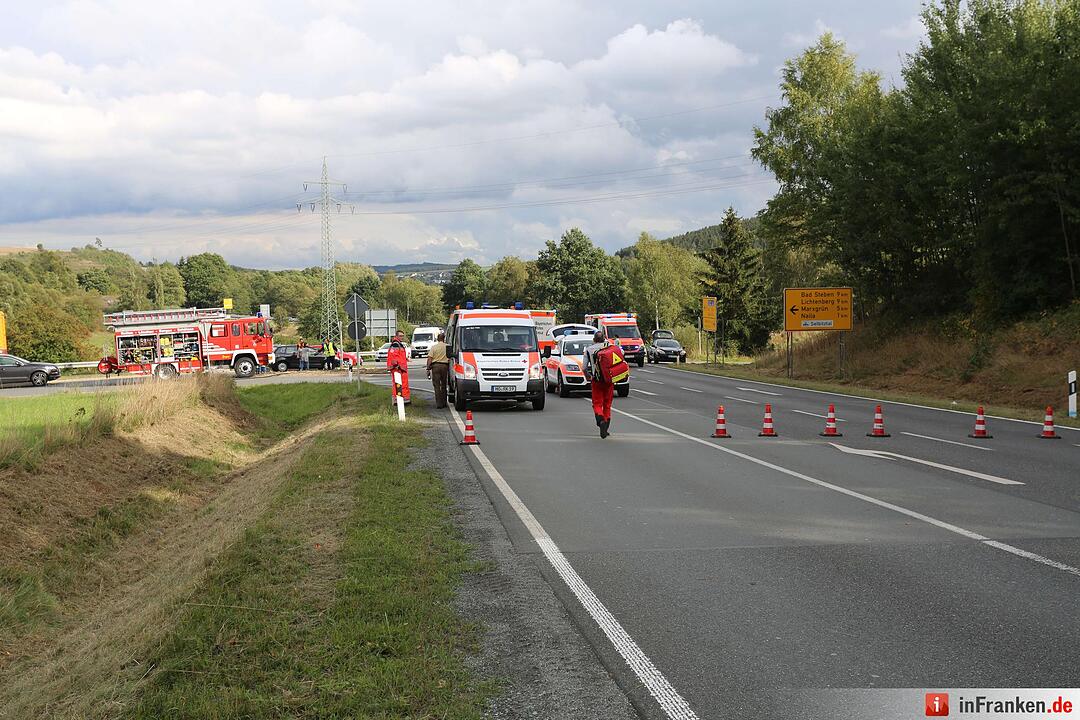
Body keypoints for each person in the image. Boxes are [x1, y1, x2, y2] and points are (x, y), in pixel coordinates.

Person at [583, 330, 630, 439]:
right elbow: (621, 355)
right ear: (604, 339)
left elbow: (584, 367)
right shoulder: (610, 346)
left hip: (596, 380)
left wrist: (588, 376)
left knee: (597, 403)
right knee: (607, 404)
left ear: (594, 340)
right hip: (609, 379)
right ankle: (606, 427)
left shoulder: (589, 350)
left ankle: (601, 421)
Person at [387, 330, 411, 405]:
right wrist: (398, 366)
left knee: (401, 384)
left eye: (402, 336)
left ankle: (402, 400)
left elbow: (399, 356)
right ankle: (399, 401)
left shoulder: (398, 344)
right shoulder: (395, 345)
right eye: (400, 336)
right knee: (399, 384)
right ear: (396, 336)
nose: (402, 337)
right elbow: (394, 357)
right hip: (398, 368)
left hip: (400, 368)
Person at [426, 331, 449, 409]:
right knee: (444, 385)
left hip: (435, 366)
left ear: (437, 339)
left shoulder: (434, 347)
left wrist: (428, 368)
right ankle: (444, 402)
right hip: (445, 366)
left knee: (436, 386)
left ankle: (439, 404)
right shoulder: (447, 346)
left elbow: (430, 358)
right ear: (444, 339)